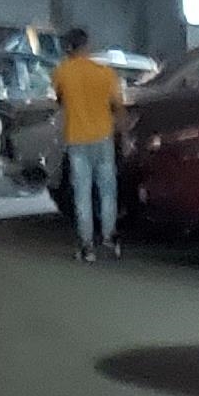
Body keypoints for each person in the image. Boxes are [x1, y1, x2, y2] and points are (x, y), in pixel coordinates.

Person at [50, 25, 126, 262]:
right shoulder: (105, 73)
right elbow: (118, 106)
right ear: (87, 45)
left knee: (82, 193)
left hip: (77, 139)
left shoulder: (62, 72)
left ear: (68, 47)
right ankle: (109, 239)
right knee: (107, 192)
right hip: (103, 137)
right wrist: (124, 134)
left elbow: (60, 100)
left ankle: (86, 245)